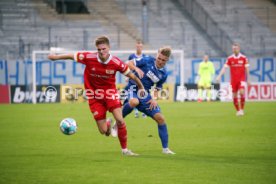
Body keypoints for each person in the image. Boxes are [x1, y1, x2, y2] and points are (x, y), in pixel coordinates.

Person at [48, 35, 145, 156]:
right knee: (103, 131)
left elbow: (132, 76)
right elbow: (71, 56)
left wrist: (141, 87)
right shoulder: (89, 57)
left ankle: (125, 150)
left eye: (103, 49)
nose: (101, 52)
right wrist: (55, 58)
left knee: (120, 120)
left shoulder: (116, 63)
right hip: (94, 97)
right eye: (99, 49)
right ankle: (108, 125)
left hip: (110, 94)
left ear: (109, 48)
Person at [113, 46, 175, 155]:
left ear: (167, 60)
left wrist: (154, 99)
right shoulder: (147, 60)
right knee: (133, 102)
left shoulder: (164, 74)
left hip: (144, 94)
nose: (160, 61)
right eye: (159, 58)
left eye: (163, 60)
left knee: (160, 118)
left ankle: (165, 149)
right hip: (132, 88)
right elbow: (128, 63)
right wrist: (136, 68)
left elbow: (158, 87)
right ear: (157, 55)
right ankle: (117, 122)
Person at [216, 43, 250, 116]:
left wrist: (248, 79)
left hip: (241, 79)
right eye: (233, 48)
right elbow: (224, 68)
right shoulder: (230, 58)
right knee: (234, 95)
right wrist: (219, 76)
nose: (235, 50)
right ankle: (238, 110)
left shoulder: (244, 58)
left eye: (236, 48)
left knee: (241, 92)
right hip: (233, 80)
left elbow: (247, 68)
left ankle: (242, 109)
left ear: (239, 48)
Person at [127, 39, 147, 118]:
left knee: (142, 95)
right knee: (133, 96)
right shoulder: (131, 56)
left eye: (140, 46)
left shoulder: (145, 56)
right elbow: (128, 67)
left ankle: (144, 111)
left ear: (142, 47)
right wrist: (128, 76)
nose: (139, 47)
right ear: (136, 46)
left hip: (142, 80)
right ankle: (135, 111)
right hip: (133, 79)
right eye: (138, 46)